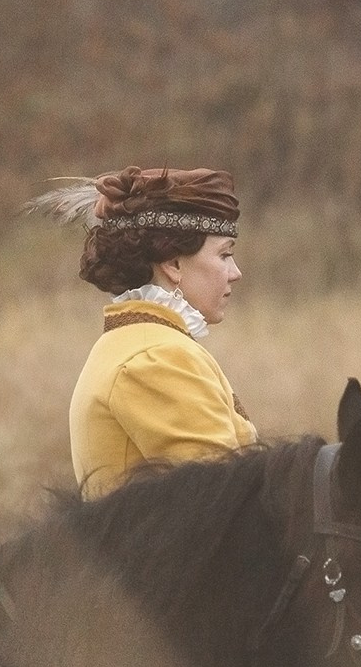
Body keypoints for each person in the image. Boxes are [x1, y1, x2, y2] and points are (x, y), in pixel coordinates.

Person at [43, 167, 257, 496]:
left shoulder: (136, 343)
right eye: (224, 254)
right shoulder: (157, 358)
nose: (235, 272)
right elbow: (226, 503)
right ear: (173, 264)